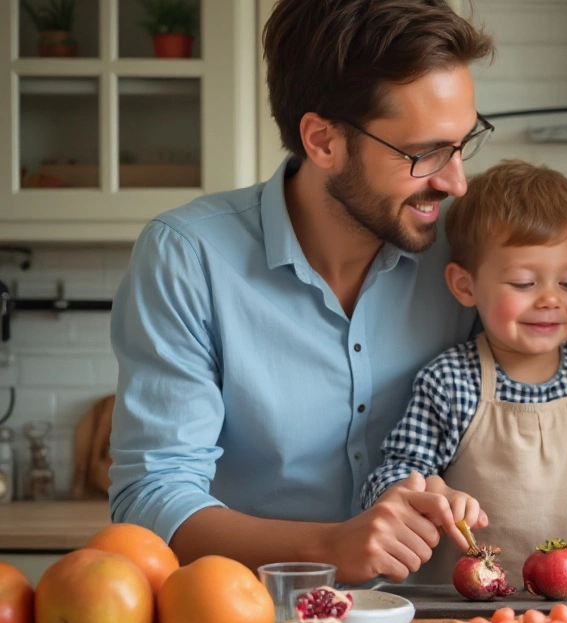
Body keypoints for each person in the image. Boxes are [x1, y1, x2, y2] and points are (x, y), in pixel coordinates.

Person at [108, 0, 498, 584]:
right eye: (425, 154)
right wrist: (332, 546)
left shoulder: (466, 252)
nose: (455, 180)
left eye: (464, 142)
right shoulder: (188, 256)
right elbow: (150, 499)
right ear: (322, 141)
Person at [361, 159, 567, 585]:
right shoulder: (449, 380)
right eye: (524, 284)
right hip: (465, 609)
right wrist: (433, 495)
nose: (549, 300)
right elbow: (391, 475)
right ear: (465, 286)